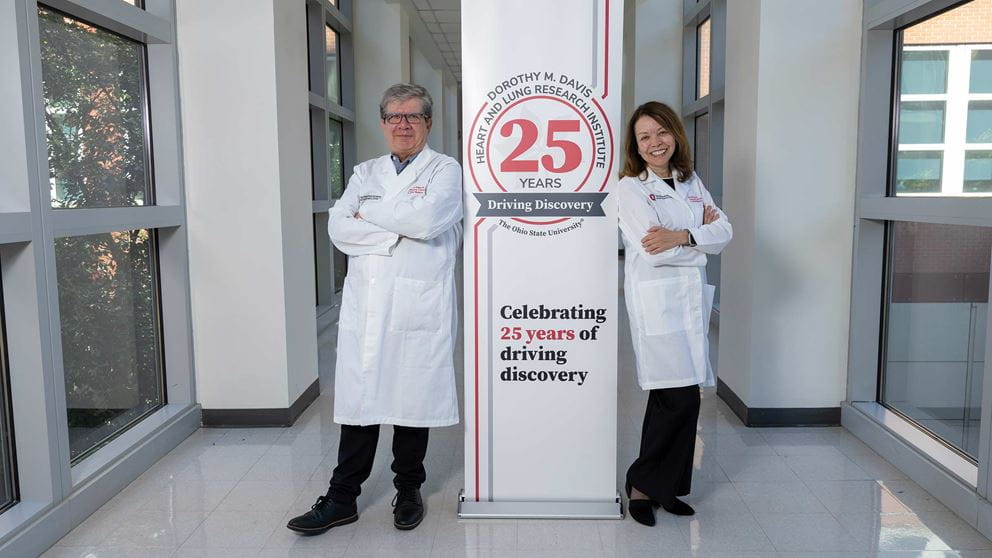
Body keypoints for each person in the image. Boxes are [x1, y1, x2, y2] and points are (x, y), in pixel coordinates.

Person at [287, 83, 462, 535]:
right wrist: (396, 228)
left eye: (413, 116)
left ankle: (408, 490)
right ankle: (342, 498)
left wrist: (373, 219)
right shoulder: (364, 173)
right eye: (394, 117)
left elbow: (426, 222)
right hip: (367, 305)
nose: (402, 124)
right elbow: (339, 230)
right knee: (360, 403)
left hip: (416, 305)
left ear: (428, 122)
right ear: (382, 123)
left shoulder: (446, 171)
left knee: (411, 401)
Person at [616, 101, 732, 526]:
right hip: (658, 303)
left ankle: (663, 488)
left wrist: (681, 235)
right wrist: (698, 244)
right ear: (636, 145)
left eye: (660, 132)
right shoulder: (629, 189)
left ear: (674, 135)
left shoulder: (691, 181)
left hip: (687, 303)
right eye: (644, 137)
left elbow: (724, 233)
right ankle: (642, 484)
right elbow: (653, 252)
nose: (654, 143)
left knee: (684, 399)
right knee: (674, 397)